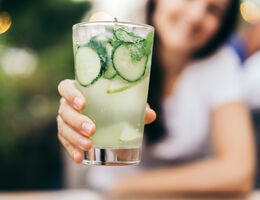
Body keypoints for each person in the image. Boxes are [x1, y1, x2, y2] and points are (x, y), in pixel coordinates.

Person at [57, 0, 256, 196]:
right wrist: (73, 115)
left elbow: (239, 171)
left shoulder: (219, 64)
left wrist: (127, 186)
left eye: (213, 10)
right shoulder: (112, 47)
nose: (196, 15)